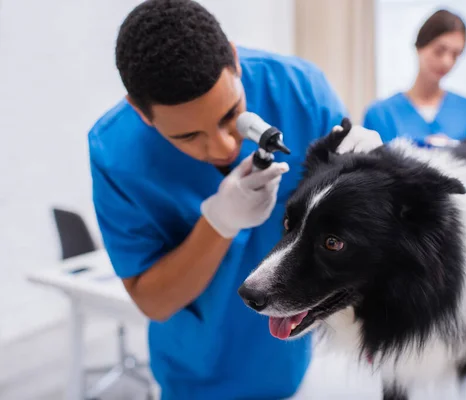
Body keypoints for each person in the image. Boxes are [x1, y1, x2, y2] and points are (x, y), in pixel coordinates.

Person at [87, 1, 381, 399]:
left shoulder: (299, 90)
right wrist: (218, 224)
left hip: (293, 358)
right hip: (198, 371)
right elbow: (153, 301)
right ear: (141, 113)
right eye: (189, 137)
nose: (224, 146)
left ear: (236, 61)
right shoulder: (117, 153)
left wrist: (373, 170)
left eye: (231, 115)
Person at [363, 9, 466, 147]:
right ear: (420, 47)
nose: (447, 62)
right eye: (439, 50)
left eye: (455, 54)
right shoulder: (381, 115)